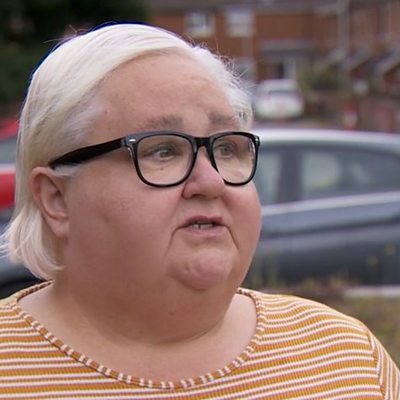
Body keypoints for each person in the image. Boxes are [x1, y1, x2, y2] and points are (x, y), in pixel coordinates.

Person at [0, 23, 398, 399]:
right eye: (162, 150)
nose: (211, 182)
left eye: (226, 148)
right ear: (56, 199)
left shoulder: (346, 359)